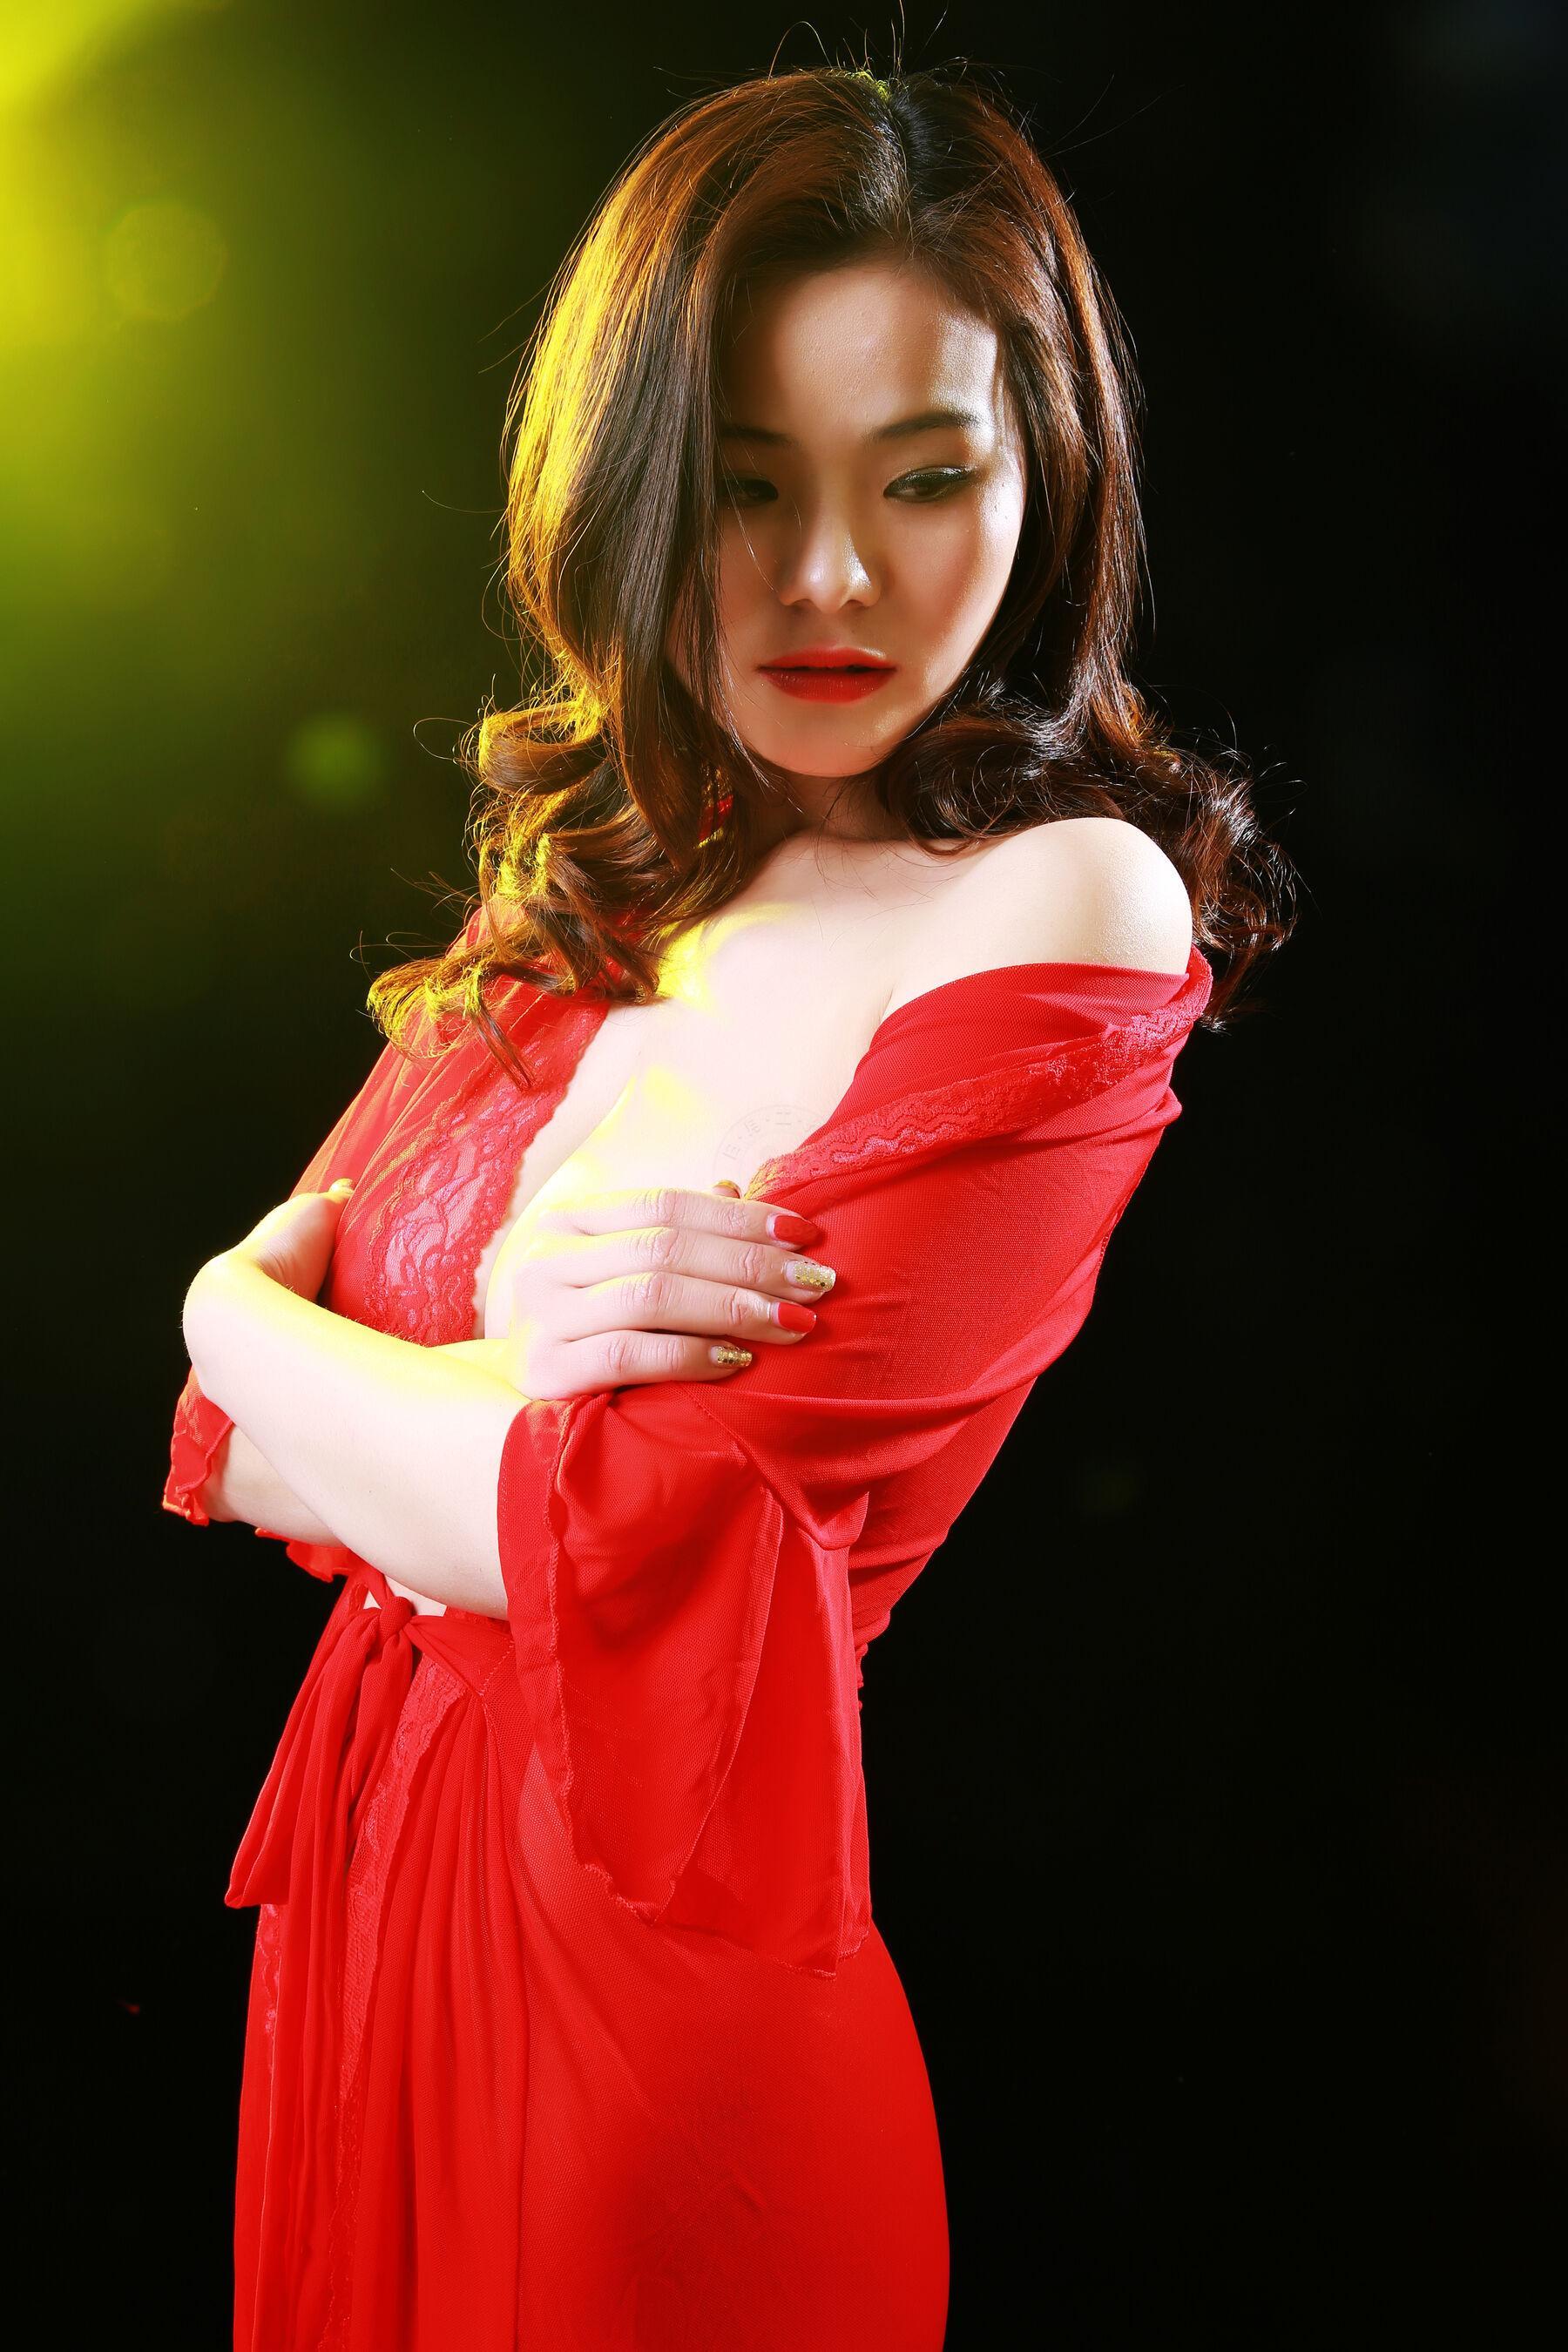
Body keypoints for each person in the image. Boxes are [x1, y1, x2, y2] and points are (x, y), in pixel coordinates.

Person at [164, 57, 1294, 2352]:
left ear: (1050, 476)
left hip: (657, 2041)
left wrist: (240, 1315)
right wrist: (373, 1368)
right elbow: (241, 1463)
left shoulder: (1060, 903)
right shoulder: (605, 886)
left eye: (926, 477)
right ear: (632, 488)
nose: (830, 577)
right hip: (365, 1974)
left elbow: (641, 1535)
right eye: (746, 484)